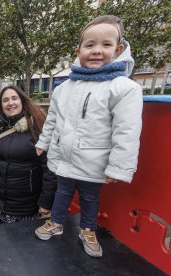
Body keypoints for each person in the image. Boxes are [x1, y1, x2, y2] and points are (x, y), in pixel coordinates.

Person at [34, 15, 143, 258]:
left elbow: (126, 131)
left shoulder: (123, 88)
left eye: (106, 45)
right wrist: (43, 143)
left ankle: (87, 229)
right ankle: (57, 222)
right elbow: (52, 120)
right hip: (64, 157)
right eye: (90, 45)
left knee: (89, 196)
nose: (96, 51)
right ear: (79, 50)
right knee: (62, 192)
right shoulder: (64, 88)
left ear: (118, 49)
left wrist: (119, 167)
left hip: (93, 160)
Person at [0, 85, 57, 224]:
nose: (10, 103)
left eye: (14, 98)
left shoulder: (37, 126)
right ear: (1, 105)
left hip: (26, 203)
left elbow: (49, 169)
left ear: (22, 101)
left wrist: (46, 201)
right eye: (5, 100)